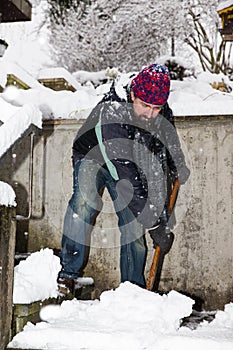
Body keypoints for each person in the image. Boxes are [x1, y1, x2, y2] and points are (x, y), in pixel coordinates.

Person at [57, 63, 190, 295]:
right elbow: (124, 173)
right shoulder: (113, 112)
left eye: (157, 107)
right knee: (83, 204)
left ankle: (132, 290)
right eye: (145, 105)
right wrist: (156, 223)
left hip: (128, 162)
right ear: (132, 94)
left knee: (133, 224)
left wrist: (175, 162)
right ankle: (68, 274)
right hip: (94, 156)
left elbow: (163, 147)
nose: (150, 113)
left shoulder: (160, 110)